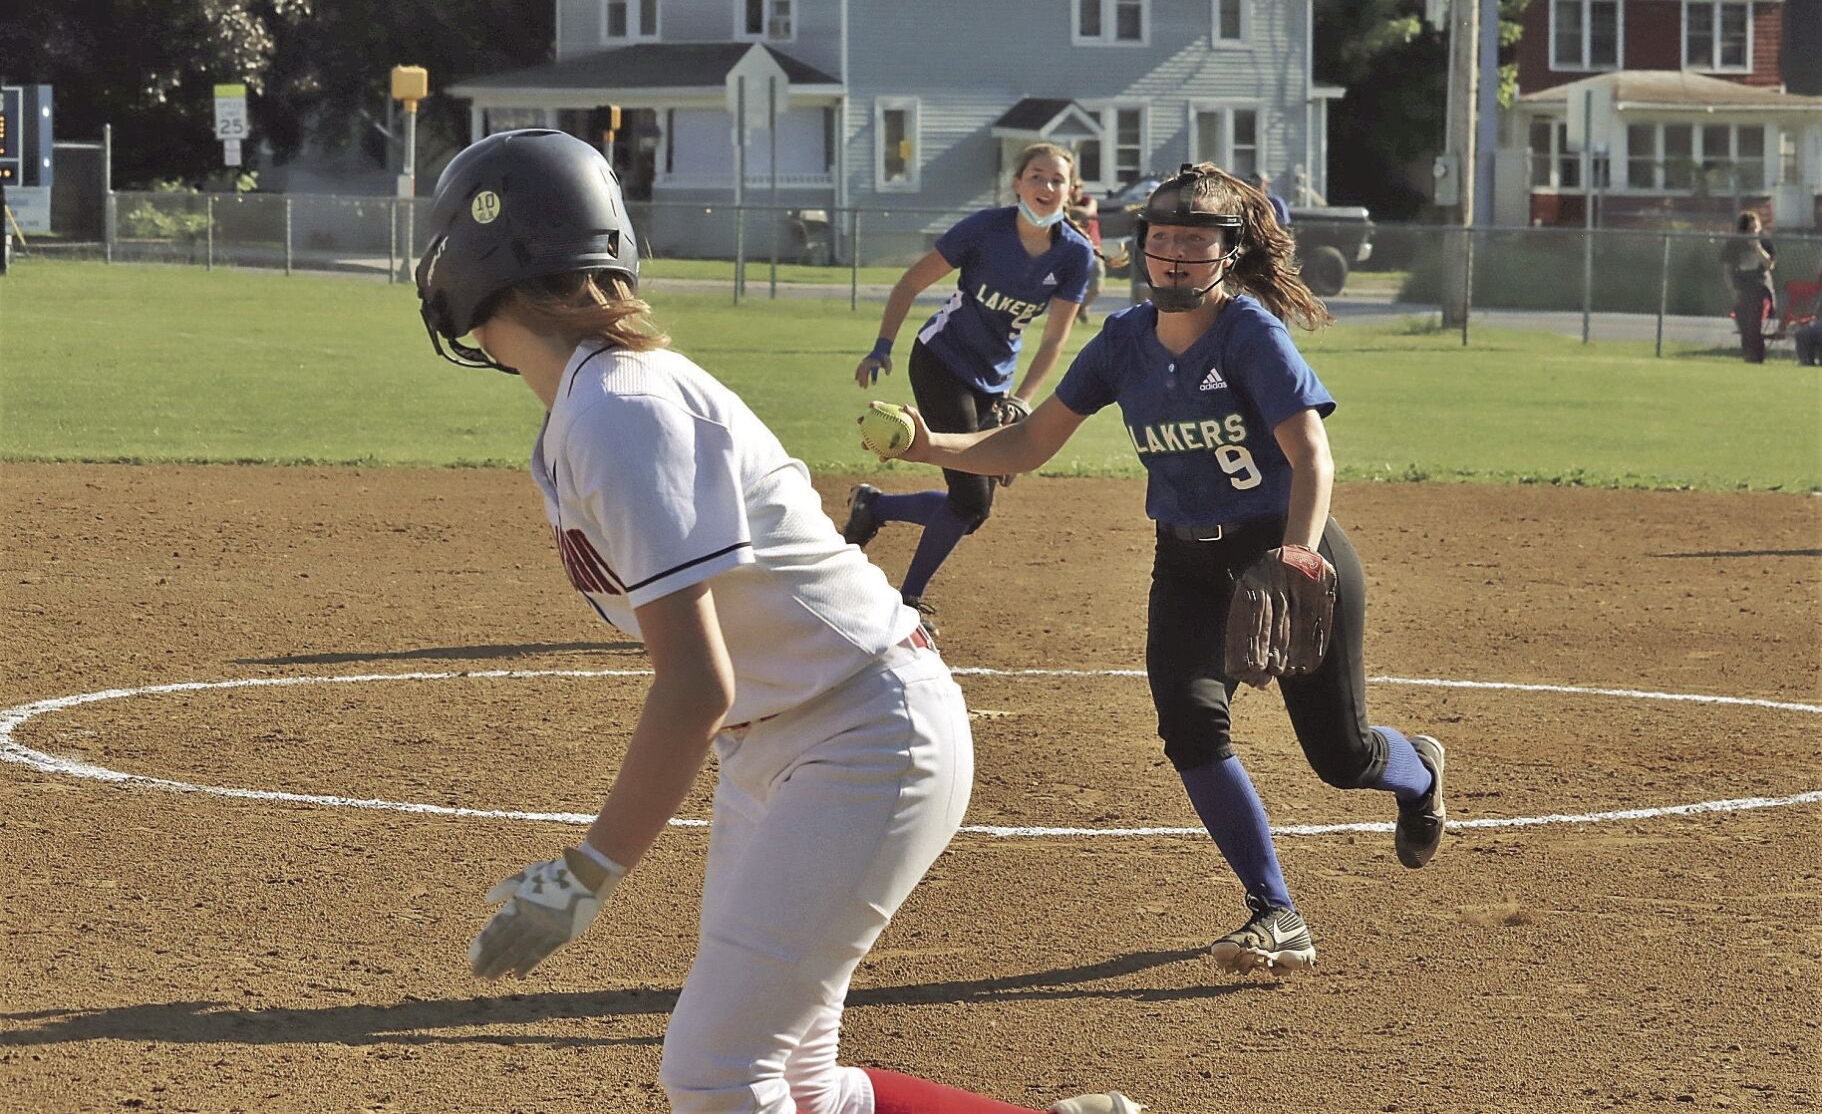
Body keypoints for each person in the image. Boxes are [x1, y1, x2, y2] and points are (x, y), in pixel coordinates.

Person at [413, 130, 1137, 1114]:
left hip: (864, 733)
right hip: (796, 734)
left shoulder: (619, 411)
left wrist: (588, 872)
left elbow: (694, 683)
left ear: (481, 256)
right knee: (797, 1080)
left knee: (717, 1075)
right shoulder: (594, 403)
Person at [877, 162, 1447, 977]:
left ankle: (1416, 768)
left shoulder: (1249, 334)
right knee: (1190, 725)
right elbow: (1033, 442)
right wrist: (932, 445)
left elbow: (1310, 456)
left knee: (1340, 757)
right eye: (1163, 239)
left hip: (1286, 549)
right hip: (1184, 561)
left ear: (1228, 251)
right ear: (1141, 249)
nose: (1176, 255)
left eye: (1197, 239)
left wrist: (1295, 553)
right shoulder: (1123, 342)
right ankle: (1276, 911)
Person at [843, 142, 1094, 635]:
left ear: (1070, 190)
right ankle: (908, 601)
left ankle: (875, 507)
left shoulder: (1074, 254)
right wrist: (882, 345)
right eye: (1036, 176)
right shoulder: (985, 229)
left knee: (971, 509)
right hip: (941, 360)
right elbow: (910, 284)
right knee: (970, 500)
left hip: (995, 383)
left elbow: (1054, 341)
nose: (1046, 187)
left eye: (1056, 180)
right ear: (1018, 183)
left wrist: (1021, 401)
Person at [1719, 211, 1775, 364]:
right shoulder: (1733, 244)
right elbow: (1727, 270)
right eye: (1749, 229)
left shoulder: (1764, 242)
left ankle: (1757, 358)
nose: (1753, 232)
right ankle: (1748, 357)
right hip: (1741, 289)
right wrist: (1732, 291)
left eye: (1755, 228)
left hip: (1760, 288)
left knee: (1754, 325)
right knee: (1744, 327)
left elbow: (1769, 265)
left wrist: (1757, 248)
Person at [1068, 183, 1105, 324]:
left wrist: (1070, 209)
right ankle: (1076, 312)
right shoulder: (1063, 202)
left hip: (1094, 248)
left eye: (1077, 187)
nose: (1075, 190)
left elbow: (1087, 212)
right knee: (1075, 286)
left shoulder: (1089, 201)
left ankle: (1079, 309)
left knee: (1097, 287)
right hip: (1073, 250)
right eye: (1072, 187)